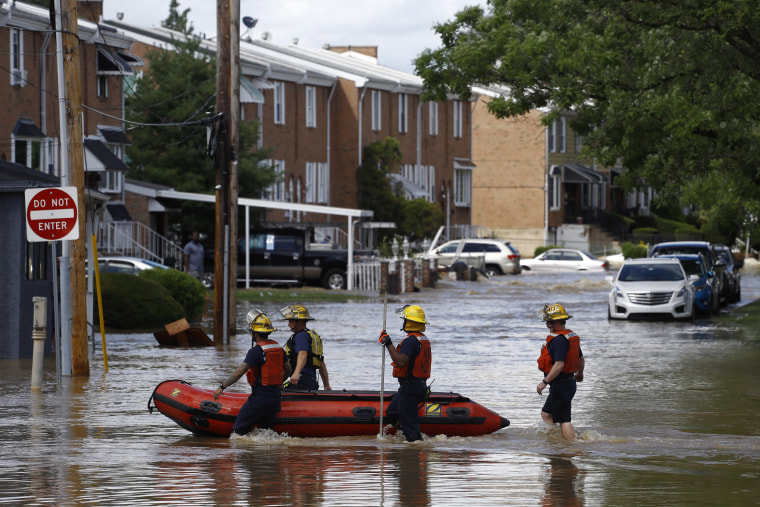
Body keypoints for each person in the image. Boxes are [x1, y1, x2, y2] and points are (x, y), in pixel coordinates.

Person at [213, 310, 291, 436]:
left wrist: (222, 387)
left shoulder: (256, 351)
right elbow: (288, 369)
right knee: (266, 434)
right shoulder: (278, 348)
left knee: (237, 433)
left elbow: (239, 372)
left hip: (259, 399)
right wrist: (280, 382)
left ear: (254, 333)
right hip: (275, 399)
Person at [379, 304, 432, 442]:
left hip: (411, 387)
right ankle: (407, 437)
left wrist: (388, 343)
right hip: (416, 386)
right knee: (392, 412)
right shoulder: (422, 339)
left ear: (409, 322)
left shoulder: (410, 341)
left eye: (404, 320)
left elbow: (401, 362)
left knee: (410, 425)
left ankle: (414, 445)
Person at [536, 303, 585, 441]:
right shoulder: (569, 337)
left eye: (548, 322)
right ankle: (557, 441)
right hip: (565, 384)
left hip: (561, 385)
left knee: (564, 420)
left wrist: (544, 382)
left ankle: (571, 448)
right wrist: (580, 374)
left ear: (552, 323)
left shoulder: (558, 340)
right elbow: (581, 359)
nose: (547, 325)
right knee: (546, 414)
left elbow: (559, 364)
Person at [280, 304, 331, 391]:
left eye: (291, 321)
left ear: (299, 321)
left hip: (300, 382)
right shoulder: (308, 336)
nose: (288, 325)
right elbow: (321, 364)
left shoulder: (301, 337)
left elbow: (303, 353)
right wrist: (326, 385)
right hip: (310, 382)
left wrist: (296, 373)